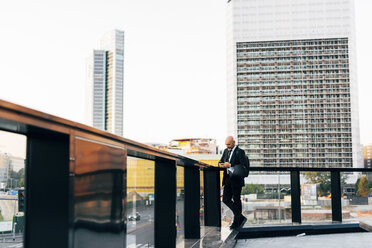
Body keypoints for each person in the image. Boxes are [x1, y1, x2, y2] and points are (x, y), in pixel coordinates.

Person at [219, 136, 249, 229]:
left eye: (229, 144)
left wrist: (230, 165)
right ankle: (240, 218)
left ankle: (236, 222)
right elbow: (220, 161)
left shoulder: (240, 152)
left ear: (234, 142)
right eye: (226, 145)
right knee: (225, 199)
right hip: (227, 179)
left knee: (236, 200)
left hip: (236, 179)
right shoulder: (225, 151)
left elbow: (243, 165)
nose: (227, 146)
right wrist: (221, 164)